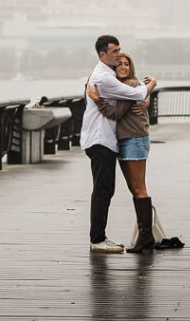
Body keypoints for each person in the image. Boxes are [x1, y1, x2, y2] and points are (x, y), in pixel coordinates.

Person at [80, 35, 157, 253]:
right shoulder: (104, 78)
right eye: (114, 52)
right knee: (103, 190)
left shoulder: (106, 75)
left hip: (110, 139)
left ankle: (105, 237)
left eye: (120, 51)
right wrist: (151, 85)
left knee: (109, 189)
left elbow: (133, 93)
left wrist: (145, 99)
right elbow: (134, 94)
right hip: (101, 139)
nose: (118, 55)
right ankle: (98, 239)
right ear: (102, 54)